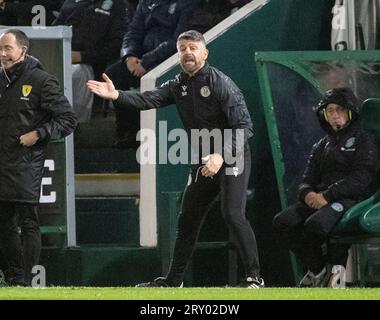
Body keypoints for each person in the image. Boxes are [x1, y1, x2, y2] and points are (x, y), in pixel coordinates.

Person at [88, 30, 264, 288]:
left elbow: (245, 127)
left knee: (233, 214)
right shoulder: (178, 84)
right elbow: (148, 99)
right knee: (187, 218)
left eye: (193, 47)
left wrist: (220, 155)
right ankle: (173, 281)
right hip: (205, 160)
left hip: (232, 156)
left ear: (205, 53)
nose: (187, 52)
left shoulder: (220, 83)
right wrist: (117, 96)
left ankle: (254, 278)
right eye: (183, 48)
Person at [272, 87, 379, 287]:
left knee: (317, 224)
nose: (334, 115)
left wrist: (328, 196)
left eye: (339, 110)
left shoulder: (365, 140)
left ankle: (336, 275)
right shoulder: (321, 145)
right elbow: (307, 178)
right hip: (320, 199)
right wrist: (307, 194)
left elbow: (362, 178)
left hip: (351, 200)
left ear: (350, 112)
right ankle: (317, 269)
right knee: (282, 222)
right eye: (330, 111)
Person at [0, 29, 77, 286]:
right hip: (2, 163)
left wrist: (39, 133)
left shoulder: (42, 80)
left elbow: (68, 120)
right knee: (4, 224)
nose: (3, 54)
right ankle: (12, 275)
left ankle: (26, 277)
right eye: (0, 49)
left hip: (25, 164)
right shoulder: (1, 80)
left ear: (23, 49)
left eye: (7, 48)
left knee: (28, 221)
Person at [104, 0, 203, 148]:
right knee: (114, 74)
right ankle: (127, 131)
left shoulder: (188, 3)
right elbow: (133, 33)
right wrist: (129, 56)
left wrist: (147, 62)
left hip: (170, 60)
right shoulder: (146, 3)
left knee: (155, 77)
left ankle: (148, 133)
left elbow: (180, 40)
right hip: (141, 58)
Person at [53, 0, 126, 123]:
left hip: (91, 64)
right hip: (61, 55)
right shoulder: (70, 3)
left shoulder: (117, 5)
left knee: (76, 72)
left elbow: (115, 46)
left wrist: (82, 56)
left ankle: (73, 127)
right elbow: (54, 31)